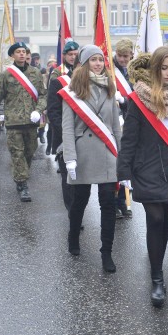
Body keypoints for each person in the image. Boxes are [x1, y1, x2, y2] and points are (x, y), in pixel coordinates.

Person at [117, 47, 168, 307]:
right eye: (164, 68)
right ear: (155, 69)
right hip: (146, 167)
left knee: (164, 221)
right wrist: (124, 172)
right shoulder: (138, 99)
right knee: (156, 217)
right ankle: (157, 278)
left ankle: (157, 266)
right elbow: (129, 139)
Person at [59, 45, 122, 272]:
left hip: (106, 153)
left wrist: (122, 160)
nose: (98, 64)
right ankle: (73, 236)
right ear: (84, 64)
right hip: (82, 154)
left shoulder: (109, 89)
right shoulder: (72, 91)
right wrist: (70, 159)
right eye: (93, 60)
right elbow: (67, 128)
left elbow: (115, 127)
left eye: (100, 60)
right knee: (80, 201)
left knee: (108, 202)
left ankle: (106, 252)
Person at [0, 42, 47, 202]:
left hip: (31, 122)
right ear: (12, 55)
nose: (21, 54)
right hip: (13, 123)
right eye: (18, 52)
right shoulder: (5, 75)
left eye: (23, 51)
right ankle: (22, 184)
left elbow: (43, 95)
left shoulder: (35, 73)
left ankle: (21, 175)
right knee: (17, 154)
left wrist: (38, 111)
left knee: (29, 152)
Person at [47, 40, 80, 211]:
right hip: (64, 135)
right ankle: (72, 212)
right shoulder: (57, 78)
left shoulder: (87, 76)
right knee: (68, 177)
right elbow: (53, 111)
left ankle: (79, 209)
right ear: (65, 56)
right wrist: (66, 133)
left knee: (81, 178)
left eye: (76, 54)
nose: (73, 57)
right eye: (70, 55)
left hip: (85, 134)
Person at [112, 38, 134, 218]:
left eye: (126, 56)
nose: (122, 60)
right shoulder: (109, 70)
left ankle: (124, 200)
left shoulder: (134, 70)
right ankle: (115, 203)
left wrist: (125, 101)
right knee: (115, 163)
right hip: (113, 122)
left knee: (127, 162)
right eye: (120, 56)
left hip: (129, 120)